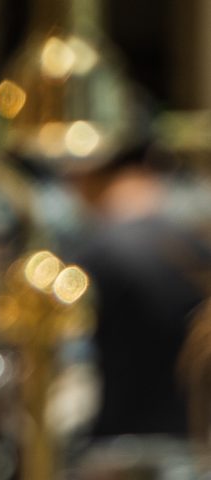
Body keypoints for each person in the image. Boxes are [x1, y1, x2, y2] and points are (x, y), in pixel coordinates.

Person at [69, 140, 211, 441]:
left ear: (87, 177)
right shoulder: (195, 247)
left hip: (121, 445)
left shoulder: (99, 254)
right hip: (192, 442)